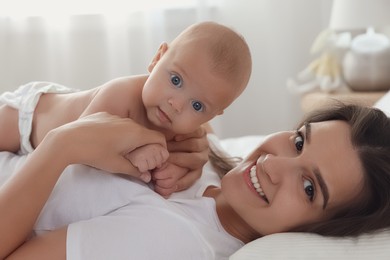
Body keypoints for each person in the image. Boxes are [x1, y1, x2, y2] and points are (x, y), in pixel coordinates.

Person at [1, 103, 390, 259]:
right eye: (299, 141)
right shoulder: (205, 158)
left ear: (325, 229)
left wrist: (63, 145)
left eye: (309, 188)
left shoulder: (172, 240)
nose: (274, 165)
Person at [0, 21, 252, 196]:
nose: (176, 104)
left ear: (212, 115)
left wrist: (172, 175)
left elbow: (187, 169)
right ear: (157, 59)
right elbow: (81, 147)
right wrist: (135, 155)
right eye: (175, 80)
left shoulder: (187, 133)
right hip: (29, 118)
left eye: (197, 105)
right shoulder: (120, 96)